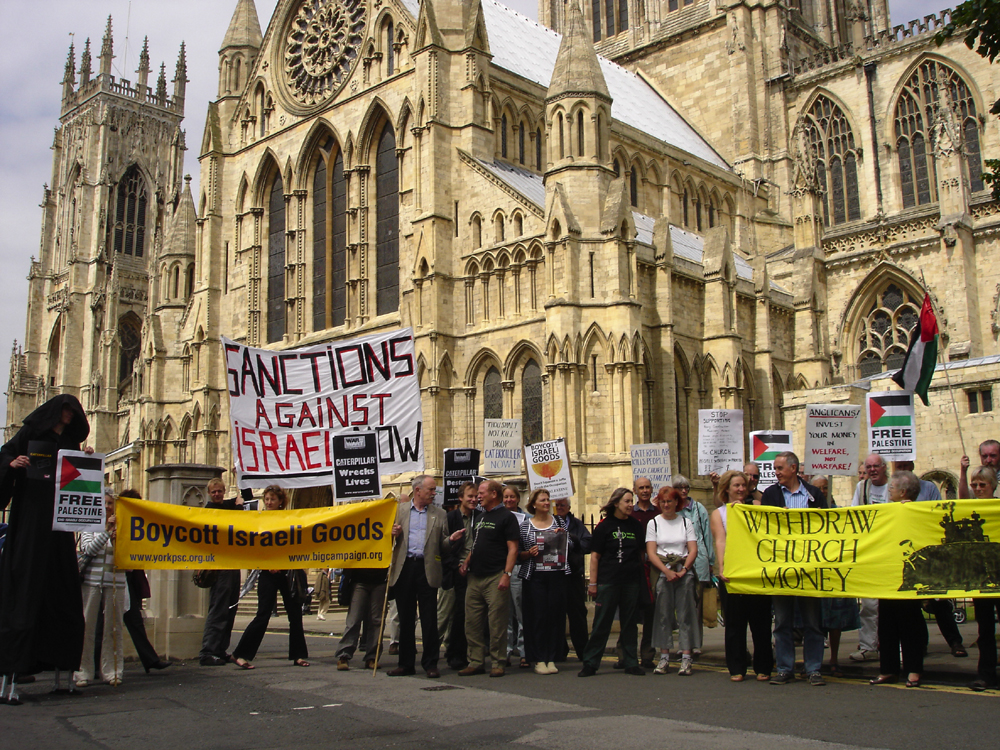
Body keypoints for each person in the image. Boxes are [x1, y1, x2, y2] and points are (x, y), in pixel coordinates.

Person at [0, 394, 91, 702]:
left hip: (59, 525)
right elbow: (6, 456)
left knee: (62, 591)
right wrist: (13, 465)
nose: (69, 416)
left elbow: (80, 483)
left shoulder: (70, 444)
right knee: (24, 590)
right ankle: (12, 672)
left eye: (73, 412)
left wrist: (87, 461)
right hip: (30, 520)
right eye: (66, 410)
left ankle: (62, 672)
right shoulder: (30, 434)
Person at [761, 451, 828, 686]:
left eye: (779, 468)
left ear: (793, 468)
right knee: (782, 622)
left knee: (812, 622)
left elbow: (825, 528)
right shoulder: (770, 494)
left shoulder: (814, 494)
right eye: (775, 468)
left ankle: (813, 669)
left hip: (809, 569)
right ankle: (785, 668)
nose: (776, 472)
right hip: (782, 569)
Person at [388, 475, 464, 678]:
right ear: (418, 490)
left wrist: (452, 540)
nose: (434, 493)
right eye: (431, 489)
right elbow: (386, 540)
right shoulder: (399, 511)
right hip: (405, 568)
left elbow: (443, 545)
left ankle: (430, 663)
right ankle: (405, 663)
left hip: (427, 568)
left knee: (430, 619)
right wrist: (391, 534)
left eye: (434, 490)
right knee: (405, 618)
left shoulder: (439, 514)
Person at [231, 486, 309, 669]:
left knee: (295, 615)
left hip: (288, 572)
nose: (268, 502)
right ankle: (240, 654)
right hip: (267, 572)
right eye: (266, 499)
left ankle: (298, 655)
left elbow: (295, 543)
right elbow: (254, 546)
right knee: (263, 614)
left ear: (280, 501)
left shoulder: (288, 519)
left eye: (272, 499)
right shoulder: (259, 519)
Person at [710, 470, 773, 681]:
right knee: (735, 624)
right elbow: (721, 541)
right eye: (736, 486)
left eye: (743, 486)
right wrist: (722, 567)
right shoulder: (719, 513)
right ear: (726, 488)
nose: (740, 489)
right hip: (733, 573)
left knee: (761, 622)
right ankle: (736, 668)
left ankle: (763, 666)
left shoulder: (756, 507)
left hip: (755, 572)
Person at [578, 488, 646, 677]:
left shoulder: (635, 526)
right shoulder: (604, 526)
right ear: (616, 503)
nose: (631, 504)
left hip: (631, 581)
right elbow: (595, 557)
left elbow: (640, 553)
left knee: (629, 624)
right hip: (608, 581)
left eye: (632, 501)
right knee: (602, 623)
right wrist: (593, 583)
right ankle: (591, 662)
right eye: (627, 501)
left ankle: (631, 661)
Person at [869, 471, 926, 688]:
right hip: (888, 574)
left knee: (910, 624)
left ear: (903, 492)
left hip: (909, 574)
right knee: (887, 624)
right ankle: (888, 669)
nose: (888, 490)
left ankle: (913, 669)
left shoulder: (916, 511)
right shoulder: (887, 511)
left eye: (892, 488)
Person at [458, 480, 519, 677]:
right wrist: (467, 561)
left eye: (482, 493)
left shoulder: (507, 517)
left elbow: (513, 549)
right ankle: (475, 661)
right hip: (475, 576)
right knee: (472, 622)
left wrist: (506, 575)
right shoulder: (480, 517)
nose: (478, 496)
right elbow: (476, 544)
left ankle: (498, 662)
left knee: (497, 623)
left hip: (495, 576)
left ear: (494, 494)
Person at [807, 475, 860, 676]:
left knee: (835, 621)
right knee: (814, 621)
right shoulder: (806, 513)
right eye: (818, 488)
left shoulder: (839, 512)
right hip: (814, 574)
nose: (822, 491)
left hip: (834, 573)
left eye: (825, 487)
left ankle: (835, 658)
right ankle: (815, 661)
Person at [74, 491, 127, 687]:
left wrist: (115, 536)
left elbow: (127, 555)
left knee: (113, 627)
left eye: (110, 503)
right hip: (92, 581)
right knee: (87, 626)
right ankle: (83, 671)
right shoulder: (89, 526)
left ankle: (112, 670)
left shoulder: (124, 526)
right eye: (104, 503)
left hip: (116, 580)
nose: (107, 507)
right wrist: (106, 532)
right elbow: (88, 549)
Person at [117, 489, 171, 675]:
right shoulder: (115, 524)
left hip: (129, 579)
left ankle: (150, 660)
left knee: (135, 621)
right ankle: (93, 665)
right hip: (111, 580)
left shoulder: (137, 525)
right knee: (104, 624)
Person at [518, 489, 571, 674]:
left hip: (556, 574)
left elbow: (570, 546)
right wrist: (528, 553)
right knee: (538, 617)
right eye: (543, 500)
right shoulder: (525, 526)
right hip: (535, 576)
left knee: (555, 616)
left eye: (548, 500)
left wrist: (562, 536)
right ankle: (539, 658)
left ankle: (552, 657)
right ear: (534, 504)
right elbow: (518, 554)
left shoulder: (559, 522)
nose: (547, 503)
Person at [646, 486, 697, 676]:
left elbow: (692, 550)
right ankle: (664, 657)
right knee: (663, 616)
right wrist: (666, 571)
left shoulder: (685, 522)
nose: (666, 505)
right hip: (663, 571)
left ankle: (686, 658)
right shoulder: (654, 523)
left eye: (669, 501)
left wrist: (684, 570)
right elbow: (651, 552)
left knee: (686, 616)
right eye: (663, 501)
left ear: (677, 503)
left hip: (683, 571)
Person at [849, 453, 890, 663]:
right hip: (871, 552)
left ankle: (896, 647)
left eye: (876, 466)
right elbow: (854, 514)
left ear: (884, 468)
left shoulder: (894, 486)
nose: (872, 470)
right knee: (869, 605)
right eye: (869, 467)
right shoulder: (862, 488)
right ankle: (868, 646)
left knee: (893, 604)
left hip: (890, 551)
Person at [199, 477, 243, 666]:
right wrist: (239, 507)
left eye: (220, 491)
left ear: (224, 491)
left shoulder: (226, 505)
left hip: (232, 564)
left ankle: (220, 649)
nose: (217, 494)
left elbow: (242, 499)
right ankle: (208, 651)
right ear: (209, 493)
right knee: (218, 608)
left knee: (231, 608)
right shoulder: (210, 510)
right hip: (219, 567)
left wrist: (241, 475)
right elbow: (232, 516)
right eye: (214, 492)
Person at [968, 465, 1000, 692]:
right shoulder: (967, 509)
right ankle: (985, 674)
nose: (978, 489)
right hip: (981, 578)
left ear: (993, 486)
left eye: (982, 485)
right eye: (975, 485)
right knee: (985, 629)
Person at [441, 482, 478, 670]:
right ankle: (451, 653)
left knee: (470, 615)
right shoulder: (450, 517)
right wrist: (456, 566)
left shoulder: (480, 517)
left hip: (475, 571)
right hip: (456, 571)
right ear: (461, 498)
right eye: (470, 496)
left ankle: (464, 654)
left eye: (476, 496)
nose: (474, 500)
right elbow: (442, 546)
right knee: (453, 614)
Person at [622, 477, 658, 668]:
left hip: (652, 568)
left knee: (651, 612)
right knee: (629, 612)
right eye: (641, 488)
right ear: (635, 491)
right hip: (632, 568)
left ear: (652, 490)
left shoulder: (658, 513)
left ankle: (647, 655)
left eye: (647, 487)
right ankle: (625, 654)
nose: (644, 491)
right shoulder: (629, 514)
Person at [677, 482, 713, 658]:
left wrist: (711, 560)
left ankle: (696, 643)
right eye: (680, 488)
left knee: (696, 607)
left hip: (699, 562)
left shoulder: (699, 509)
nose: (684, 491)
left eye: (686, 488)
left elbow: (707, 535)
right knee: (682, 605)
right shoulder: (673, 510)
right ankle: (684, 643)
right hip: (679, 561)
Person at [553, 497, 591, 661]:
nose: (559, 508)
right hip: (555, 574)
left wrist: (572, 541)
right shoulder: (550, 522)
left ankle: (583, 651)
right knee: (555, 614)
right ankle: (559, 650)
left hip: (574, 575)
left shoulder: (576, 524)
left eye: (562, 505)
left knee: (577, 613)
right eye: (557, 505)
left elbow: (588, 544)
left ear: (568, 507)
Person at [336, 565, 387, 671]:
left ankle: (372, 657)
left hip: (380, 580)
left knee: (376, 621)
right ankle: (344, 655)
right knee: (354, 619)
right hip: (359, 580)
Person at [502, 485, 528, 668]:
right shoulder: (498, 517)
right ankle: (506, 651)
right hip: (502, 568)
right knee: (505, 613)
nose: (509, 500)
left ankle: (524, 651)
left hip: (518, 567)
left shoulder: (526, 519)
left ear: (518, 499)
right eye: (506, 497)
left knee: (520, 612)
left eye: (512, 497)